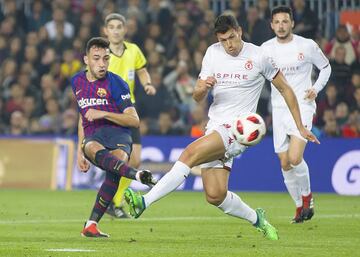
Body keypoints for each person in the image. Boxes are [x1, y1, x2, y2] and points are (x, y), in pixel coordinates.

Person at [125, 14, 320, 241]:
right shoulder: (212, 52)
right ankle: (258, 220)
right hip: (215, 126)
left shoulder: (259, 56)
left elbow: (286, 89)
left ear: (239, 32)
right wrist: (202, 88)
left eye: (231, 38)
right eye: (223, 40)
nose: (228, 44)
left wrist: (300, 126)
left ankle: (143, 202)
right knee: (215, 195)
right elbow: (197, 96)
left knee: (188, 154)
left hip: (239, 130)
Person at [72, 37, 156, 238]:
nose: (102, 64)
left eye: (106, 59)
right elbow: (82, 115)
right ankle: (136, 175)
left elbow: (134, 120)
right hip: (94, 135)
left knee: (115, 169)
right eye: (96, 58)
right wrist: (78, 151)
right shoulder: (76, 81)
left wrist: (103, 113)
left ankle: (91, 226)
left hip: (119, 133)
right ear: (86, 59)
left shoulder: (117, 84)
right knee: (90, 147)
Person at [261, 6, 331, 223]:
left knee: (294, 157)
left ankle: (308, 196)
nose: (281, 26)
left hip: (303, 106)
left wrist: (316, 89)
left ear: (292, 23)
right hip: (279, 109)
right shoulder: (265, 49)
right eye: (277, 22)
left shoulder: (307, 45)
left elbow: (326, 67)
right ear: (272, 25)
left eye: (285, 21)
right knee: (284, 163)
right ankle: (299, 208)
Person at [103, 13, 157, 219]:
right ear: (106, 30)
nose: (116, 30)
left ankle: (113, 202)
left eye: (119, 27)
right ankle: (111, 201)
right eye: (112, 27)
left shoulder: (133, 50)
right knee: (119, 159)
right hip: (110, 112)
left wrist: (148, 84)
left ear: (125, 29)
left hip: (129, 110)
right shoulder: (101, 54)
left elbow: (141, 70)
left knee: (135, 160)